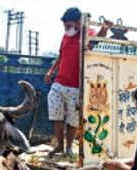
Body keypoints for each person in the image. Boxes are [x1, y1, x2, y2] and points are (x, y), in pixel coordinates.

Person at [44, 7, 112, 157]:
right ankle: (60, 146)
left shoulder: (89, 33)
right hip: (59, 82)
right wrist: (51, 71)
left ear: (78, 22)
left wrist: (104, 30)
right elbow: (60, 55)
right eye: (65, 26)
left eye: (68, 26)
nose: (66, 29)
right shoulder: (66, 36)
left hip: (76, 86)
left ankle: (68, 148)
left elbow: (94, 43)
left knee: (73, 119)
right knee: (56, 114)